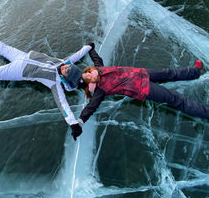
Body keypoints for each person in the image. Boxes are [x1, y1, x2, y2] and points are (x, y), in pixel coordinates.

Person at [0, 25, 94, 135]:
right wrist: (88, 47)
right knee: (5, 48)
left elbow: (62, 103)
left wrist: (73, 123)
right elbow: (75, 56)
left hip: (18, 70)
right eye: (68, 67)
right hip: (24, 56)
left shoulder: (53, 82)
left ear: (65, 78)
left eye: (67, 71)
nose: (65, 68)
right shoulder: (63, 63)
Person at [70, 47, 209, 140]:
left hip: (143, 73)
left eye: (88, 72)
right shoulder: (101, 90)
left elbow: (96, 59)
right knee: (177, 100)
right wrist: (80, 122)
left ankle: (194, 72)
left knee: (169, 73)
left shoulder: (100, 69)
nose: (90, 74)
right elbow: (91, 107)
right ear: (90, 83)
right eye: (88, 78)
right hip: (144, 88)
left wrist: (90, 48)